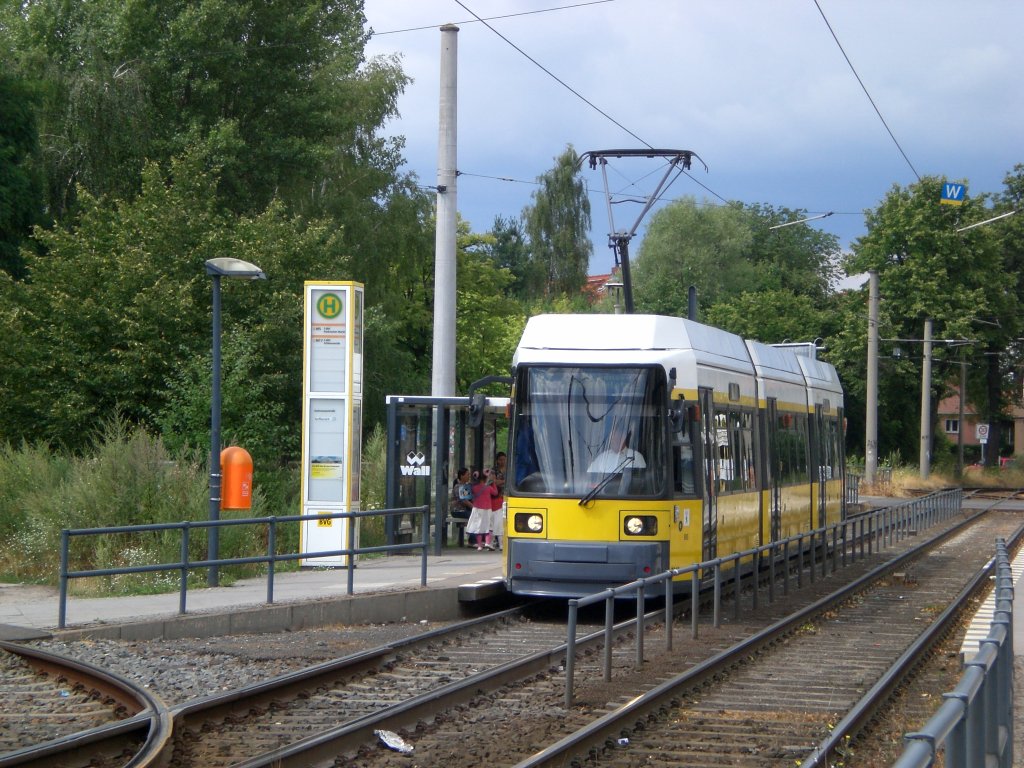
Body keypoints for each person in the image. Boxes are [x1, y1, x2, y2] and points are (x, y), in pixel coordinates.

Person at [466, 469, 498, 550]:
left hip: (477, 509)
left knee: (478, 527)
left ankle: (479, 545)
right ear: (486, 479)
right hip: (487, 509)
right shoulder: (488, 488)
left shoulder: (474, 488)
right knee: (488, 526)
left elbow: (467, 493)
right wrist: (493, 483)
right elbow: (495, 493)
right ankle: (487, 543)